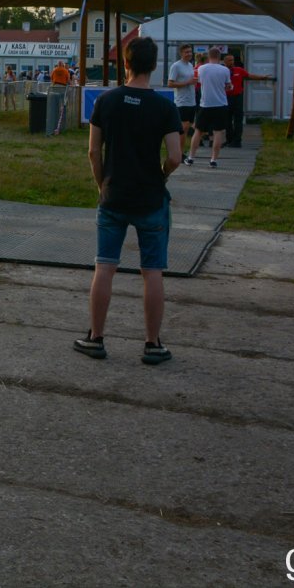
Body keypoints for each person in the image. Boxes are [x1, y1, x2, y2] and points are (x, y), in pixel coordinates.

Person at [74, 36, 183, 365]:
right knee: (152, 272)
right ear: (154, 66)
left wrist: (100, 184)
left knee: (104, 266)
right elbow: (176, 156)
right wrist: (161, 175)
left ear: (125, 63)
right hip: (150, 197)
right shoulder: (165, 106)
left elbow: (93, 151)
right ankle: (152, 344)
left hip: (114, 194)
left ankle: (96, 337)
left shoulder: (106, 101)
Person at [186, 47, 232, 168]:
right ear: (219, 56)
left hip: (205, 104)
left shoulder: (201, 68)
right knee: (218, 132)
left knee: (198, 131)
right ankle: (213, 160)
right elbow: (228, 86)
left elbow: (198, 82)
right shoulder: (225, 70)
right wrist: (227, 87)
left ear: (208, 56)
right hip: (221, 104)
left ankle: (191, 157)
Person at [222, 53, 271, 149]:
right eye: (229, 60)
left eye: (232, 60)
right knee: (227, 121)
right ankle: (229, 140)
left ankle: (237, 141)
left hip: (237, 98)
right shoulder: (222, 71)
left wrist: (262, 77)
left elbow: (249, 75)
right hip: (225, 98)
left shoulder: (239, 70)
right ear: (224, 62)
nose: (232, 62)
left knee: (238, 120)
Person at [167, 44, 197, 159]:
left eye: (190, 52)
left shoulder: (190, 65)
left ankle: (181, 152)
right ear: (181, 53)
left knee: (187, 128)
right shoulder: (176, 66)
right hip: (182, 101)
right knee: (183, 129)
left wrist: (194, 82)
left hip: (191, 100)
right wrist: (187, 83)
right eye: (186, 52)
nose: (189, 54)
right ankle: (179, 154)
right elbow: (170, 83)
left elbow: (190, 80)